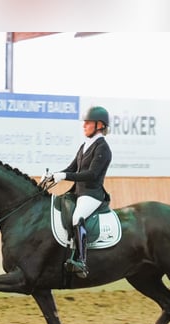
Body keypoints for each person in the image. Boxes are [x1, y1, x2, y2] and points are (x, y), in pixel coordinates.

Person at [51, 106, 112, 278]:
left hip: (92, 193)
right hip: (78, 193)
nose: (84, 125)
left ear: (99, 125)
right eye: (84, 122)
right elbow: (72, 168)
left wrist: (64, 175)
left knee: (78, 217)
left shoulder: (103, 148)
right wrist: (54, 175)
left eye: (88, 122)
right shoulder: (85, 145)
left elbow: (91, 174)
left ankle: (81, 260)